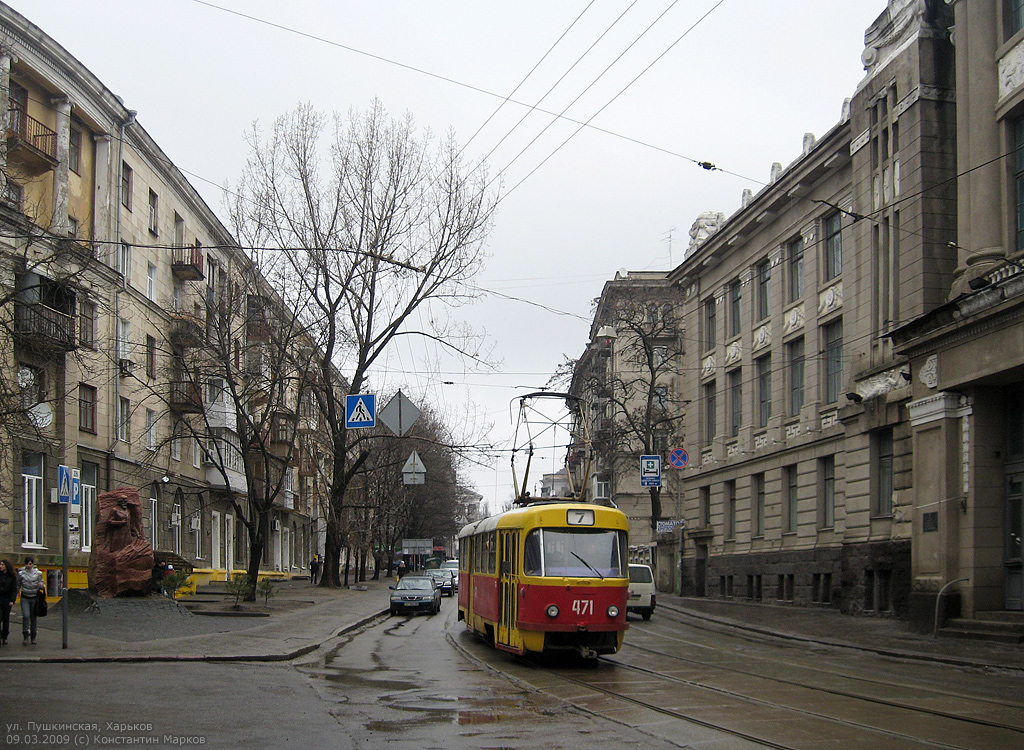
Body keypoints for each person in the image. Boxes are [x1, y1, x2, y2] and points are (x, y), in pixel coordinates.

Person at [17, 557, 44, 646]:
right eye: (27, 564)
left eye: (30, 564)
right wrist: (16, 593)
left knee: (33, 617)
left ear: (32, 564)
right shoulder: (21, 573)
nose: (29, 565)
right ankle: (25, 635)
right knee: (26, 616)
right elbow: (18, 584)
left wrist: (41, 586)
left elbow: (42, 584)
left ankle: (33, 636)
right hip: (25, 596)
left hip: (34, 597)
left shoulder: (38, 573)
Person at [0, 559, 17, 645]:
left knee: (6, 619)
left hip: (7, 599)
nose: (1, 566)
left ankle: (5, 636)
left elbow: (14, 589)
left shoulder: (11, 577)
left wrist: (12, 600)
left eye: (2, 565)